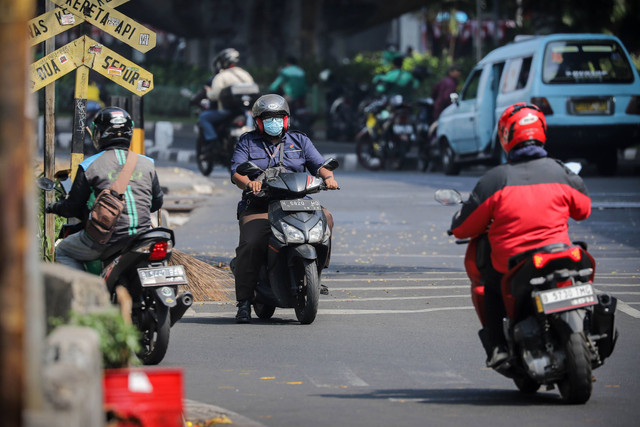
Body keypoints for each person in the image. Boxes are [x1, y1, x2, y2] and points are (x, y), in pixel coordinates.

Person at [449, 103, 591, 367]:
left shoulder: (496, 179)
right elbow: (583, 210)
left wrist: (458, 220)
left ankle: (499, 348)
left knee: (487, 287)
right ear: (542, 130)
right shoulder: (561, 172)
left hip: (514, 265)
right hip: (561, 254)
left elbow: (463, 228)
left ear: (505, 135)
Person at [229, 94, 339, 323]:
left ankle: (315, 272)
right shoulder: (247, 142)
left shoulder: (300, 141)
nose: (274, 122)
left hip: (296, 200)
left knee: (326, 218)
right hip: (260, 205)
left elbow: (319, 166)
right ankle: (245, 301)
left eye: (278, 117)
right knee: (252, 243)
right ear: (258, 121)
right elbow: (236, 173)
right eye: (268, 118)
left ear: (286, 119)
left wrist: (329, 178)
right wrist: (250, 183)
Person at [46, 107, 164, 271]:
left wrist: (52, 207)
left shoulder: (89, 165)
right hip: (143, 237)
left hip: (108, 240)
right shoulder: (147, 163)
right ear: (130, 132)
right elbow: (157, 202)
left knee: (63, 250)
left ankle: (85, 293)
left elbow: (72, 208)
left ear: (98, 133)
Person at [198, 48, 255, 153]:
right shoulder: (245, 75)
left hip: (225, 112)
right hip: (243, 112)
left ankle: (213, 140)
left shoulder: (221, 76)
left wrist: (208, 92)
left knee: (203, 117)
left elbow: (214, 95)